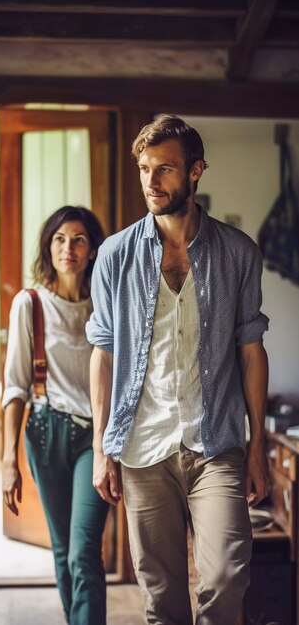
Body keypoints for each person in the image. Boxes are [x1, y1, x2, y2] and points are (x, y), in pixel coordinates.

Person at [86, 114, 270, 625]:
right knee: (161, 595)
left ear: (195, 171)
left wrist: (257, 447)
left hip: (216, 443)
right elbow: (102, 353)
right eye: (144, 168)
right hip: (143, 446)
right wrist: (102, 448)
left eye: (164, 169)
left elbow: (252, 350)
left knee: (227, 576)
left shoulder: (238, 252)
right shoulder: (114, 256)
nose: (150, 181)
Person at [2, 205, 108, 625]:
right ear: (49, 247)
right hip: (46, 433)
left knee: (84, 550)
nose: (69, 248)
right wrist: (8, 461)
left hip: (96, 438)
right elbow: (15, 387)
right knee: (63, 550)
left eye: (79, 239)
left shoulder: (106, 303)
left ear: (93, 248)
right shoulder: (29, 304)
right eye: (60, 239)